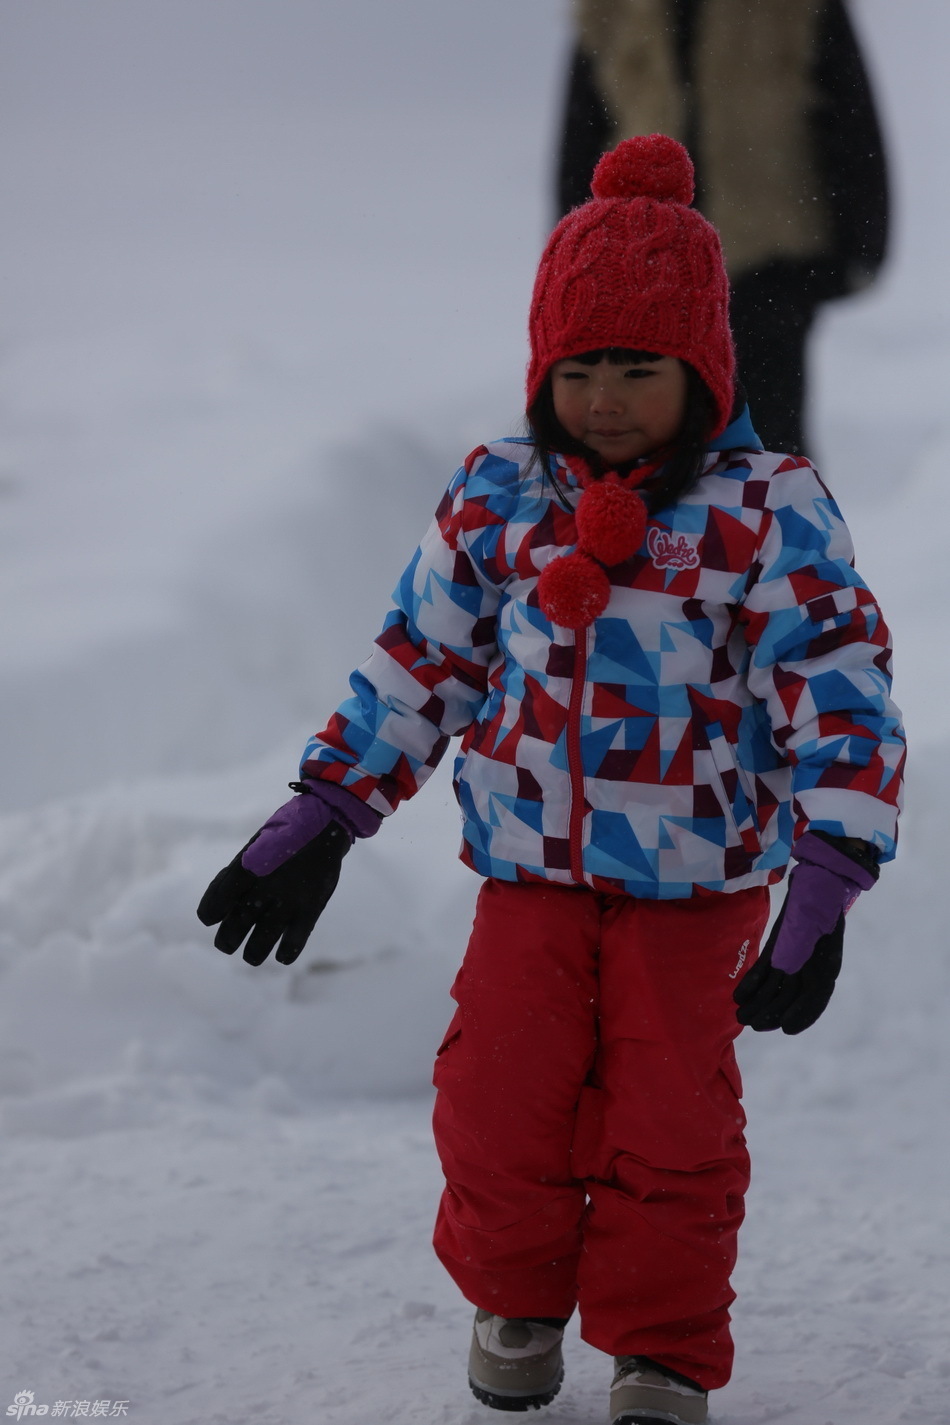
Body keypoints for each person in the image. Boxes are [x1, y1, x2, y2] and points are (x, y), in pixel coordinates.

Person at [197, 135, 905, 1425]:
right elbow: (419, 663)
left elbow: (837, 688)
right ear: (540, 371)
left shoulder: (765, 508)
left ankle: (660, 1351)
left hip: (693, 895)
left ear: (700, 371)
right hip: (525, 880)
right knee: (493, 1101)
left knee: (668, 1128)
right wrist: (325, 809)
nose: (605, 398)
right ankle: (513, 1299)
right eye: (577, 368)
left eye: (639, 368)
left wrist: (828, 872)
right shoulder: (496, 496)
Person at [556, 0, 890, 456]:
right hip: (645, 271)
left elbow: (849, 110)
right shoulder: (610, 9)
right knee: (653, 448)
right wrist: (576, 260)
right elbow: (581, 136)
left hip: (769, 259)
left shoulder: (795, 7)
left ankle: (777, 527)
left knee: (769, 444)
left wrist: (862, 243)